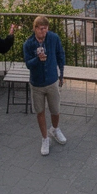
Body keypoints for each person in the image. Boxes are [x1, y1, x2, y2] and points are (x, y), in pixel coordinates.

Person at [22, 15, 67, 156]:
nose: (44, 32)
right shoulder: (28, 44)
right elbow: (28, 64)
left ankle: (55, 129)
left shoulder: (53, 38)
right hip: (36, 83)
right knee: (40, 111)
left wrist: (61, 74)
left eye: (46, 29)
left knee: (55, 109)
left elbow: (61, 55)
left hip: (52, 80)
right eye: (41, 29)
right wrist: (38, 59)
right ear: (35, 28)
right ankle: (44, 138)